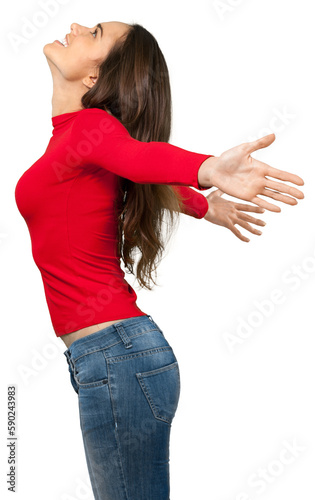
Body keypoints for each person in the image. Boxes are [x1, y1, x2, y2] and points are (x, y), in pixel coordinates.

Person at [14, 21, 304, 500]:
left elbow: (139, 157)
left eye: (95, 32)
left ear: (94, 76)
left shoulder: (92, 128)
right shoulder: (74, 139)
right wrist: (205, 204)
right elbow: (133, 169)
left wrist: (207, 169)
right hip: (106, 359)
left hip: (116, 356)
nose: (75, 26)